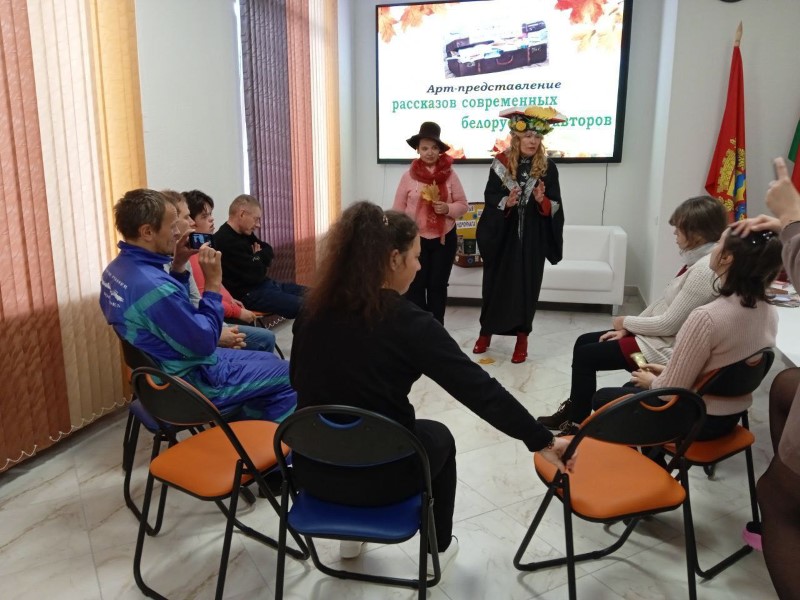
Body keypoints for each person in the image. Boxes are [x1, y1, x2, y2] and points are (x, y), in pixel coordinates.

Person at [288, 201, 575, 575]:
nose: (419, 267)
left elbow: (298, 381)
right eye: (416, 257)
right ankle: (435, 551)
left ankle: (350, 539)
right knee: (438, 437)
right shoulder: (410, 324)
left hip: (313, 473)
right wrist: (543, 440)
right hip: (383, 479)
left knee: (349, 425)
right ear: (394, 259)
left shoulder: (311, 310)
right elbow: (479, 391)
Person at [99, 188, 295, 422]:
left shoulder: (115, 271)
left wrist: (178, 265)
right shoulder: (154, 288)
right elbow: (205, 342)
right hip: (190, 382)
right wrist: (212, 284)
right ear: (147, 232)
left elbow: (173, 314)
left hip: (164, 372)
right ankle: (263, 440)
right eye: (173, 226)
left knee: (270, 361)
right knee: (292, 375)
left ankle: (247, 428)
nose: (178, 233)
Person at [538, 195, 728, 433]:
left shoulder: (704, 270)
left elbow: (669, 325)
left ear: (696, 233)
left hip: (657, 350)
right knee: (584, 342)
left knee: (587, 355)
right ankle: (575, 409)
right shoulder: (697, 261)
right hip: (651, 340)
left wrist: (625, 321)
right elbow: (662, 304)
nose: (674, 234)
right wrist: (627, 328)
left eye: (679, 229)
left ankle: (577, 424)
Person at [591, 224, 782, 442]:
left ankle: (646, 457)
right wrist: (667, 370)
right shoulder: (769, 310)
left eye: (719, 243)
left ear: (726, 257)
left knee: (602, 399)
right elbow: (724, 371)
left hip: (695, 419)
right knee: (630, 387)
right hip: (729, 418)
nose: (713, 248)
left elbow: (668, 392)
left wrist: (653, 382)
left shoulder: (707, 317)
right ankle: (653, 457)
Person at [728, 157, 800, 599]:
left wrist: (793, 219)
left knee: (777, 499)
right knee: (785, 385)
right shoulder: (764, 315)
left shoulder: (710, 318)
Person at [473, 106, 566, 364]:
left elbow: (556, 205)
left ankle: (522, 337)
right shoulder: (501, 164)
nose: (533, 141)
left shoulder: (548, 168)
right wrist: (507, 201)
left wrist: (542, 200)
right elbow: (490, 196)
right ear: (517, 137)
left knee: (527, 287)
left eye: (537, 137)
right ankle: (485, 332)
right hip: (502, 238)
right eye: (528, 136)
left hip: (532, 240)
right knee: (494, 286)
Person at [392, 121, 469, 324]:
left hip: (444, 239)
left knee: (437, 286)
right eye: (425, 148)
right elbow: (398, 211)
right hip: (414, 240)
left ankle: (436, 329)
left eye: (434, 148)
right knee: (415, 286)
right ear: (418, 149)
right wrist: (398, 239)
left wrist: (448, 208)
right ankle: (419, 329)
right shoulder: (408, 176)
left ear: (440, 150)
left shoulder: (450, 175)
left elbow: (463, 205)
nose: (429, 152)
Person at [183, 189, 276, 353]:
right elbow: (203, 296)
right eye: (204, 216)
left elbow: (217, 284)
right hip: (219, 315)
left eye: (210, 214)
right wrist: (238, 311)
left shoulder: (203, 249)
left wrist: (231, 299)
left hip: (228, 306)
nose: (211, 219)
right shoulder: (191, 256)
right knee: (266, 337)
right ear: (191, 222)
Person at [212, 194, 306, 318]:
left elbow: (268, 250)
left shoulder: (245, 233)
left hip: (268, 285)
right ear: (242, 214)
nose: (258, 225)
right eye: (256, 219)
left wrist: (256, 256)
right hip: (251, 294)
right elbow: (254, 274)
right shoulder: (223, 240)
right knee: (306, 307)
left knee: (318, 295)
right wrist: (258, 258)